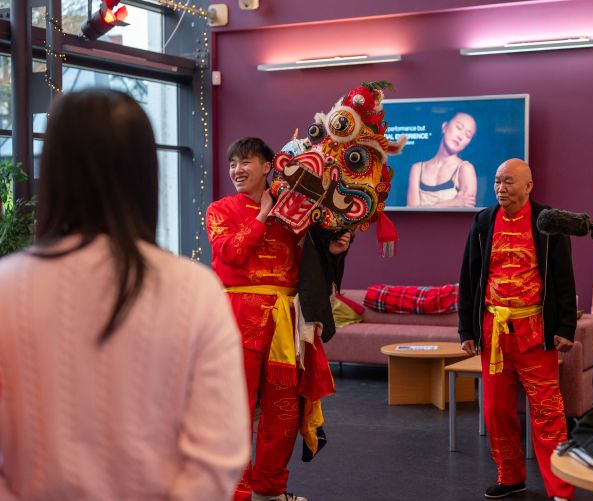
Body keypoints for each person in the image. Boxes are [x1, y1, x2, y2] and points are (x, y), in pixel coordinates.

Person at [0, 89, 249, 499]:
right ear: (145, 174)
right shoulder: (195, 289)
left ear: (54, 171)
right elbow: (219, 456)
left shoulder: (8, 285)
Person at [206, 137, 350, 501]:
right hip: (236, 320)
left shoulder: (294, 216)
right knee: (235, 410)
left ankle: (269, 491)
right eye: (233, 163)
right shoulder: (220, 209)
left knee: (283, 413)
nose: (237, 170)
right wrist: (262, 215)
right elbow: (230, 252)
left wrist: (333, 250)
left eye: (246, 162)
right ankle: (235, 493)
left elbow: (311, 268)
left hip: (285, 322)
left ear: (269, 166)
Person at [458, 158, 576, 501]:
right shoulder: (483, 221)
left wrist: (565, 325)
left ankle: (560, 489)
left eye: (508, 182)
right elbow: (469, 278)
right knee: (496, 410)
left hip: (536, 332)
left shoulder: (548, 221)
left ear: (528, 186)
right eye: (496, 181)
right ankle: (510, 477)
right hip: (494, 331)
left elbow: (564, 279)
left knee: (548, 413)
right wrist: (467, 329)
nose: (500, 188)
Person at [407, 112, 478, 208]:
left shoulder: (465, 169)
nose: (461, 136)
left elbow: (466, 215)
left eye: (468, 135)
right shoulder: (417, 169)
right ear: (444, 127)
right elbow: (411, 213)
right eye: (459, 128)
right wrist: (453, 203)